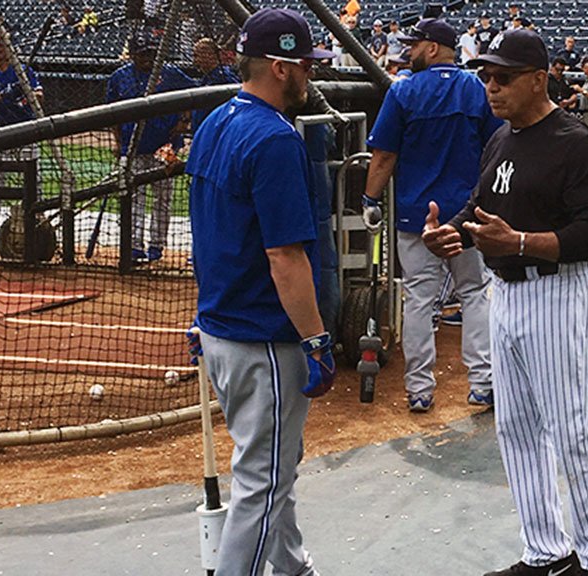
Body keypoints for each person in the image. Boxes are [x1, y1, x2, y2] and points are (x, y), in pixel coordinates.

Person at [422, 28, 588, 576]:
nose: (492, 85)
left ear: (540, 79)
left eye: (505, 77)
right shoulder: (501, 139)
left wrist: (516, 242)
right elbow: (478, 207)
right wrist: (455, 234)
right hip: (506, 294)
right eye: (487, 75)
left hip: (558, 292)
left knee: (570, 428)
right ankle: (547, 551)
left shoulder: (575, 141)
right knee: (515, 428)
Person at [186, 9, 337, 576]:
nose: (310, 75)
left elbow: (210, 231)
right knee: (263, 481)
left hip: (222, 330)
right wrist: (316, 339)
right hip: (264, 340)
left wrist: (204, 312)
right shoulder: (274, 138)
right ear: (279, 68)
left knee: (272, 465)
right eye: (304, 65)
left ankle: (293, 567)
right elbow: (286, 256)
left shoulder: (215, 121)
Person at [362, 18, 500, 412]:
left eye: (416, 45)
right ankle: (482, 384)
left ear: (435, 48)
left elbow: (385, 155)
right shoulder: (477, 88)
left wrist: (370, 199)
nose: (409, 51)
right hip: (468, 213)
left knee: (420, 300)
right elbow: (496, 145)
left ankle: (420, 390)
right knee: (475, 294)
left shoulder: (404, 90)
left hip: (416, 216)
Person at [107, 31, 194, 263]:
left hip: (164, 147)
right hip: (132, 145)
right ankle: (134, 246)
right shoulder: (119, 77)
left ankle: (157, 245)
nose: (148, 57)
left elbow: (194, 94)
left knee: (162, 198)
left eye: (152, 53)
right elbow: (111, 113)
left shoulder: (170, 73)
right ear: (133, 54)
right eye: (143, 53)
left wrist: (184, 121)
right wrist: (117, 143)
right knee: (135, 196)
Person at [0, 33, 44, 235]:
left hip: (25, 130)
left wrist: (23, 92)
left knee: (34, 181)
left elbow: (39, 96)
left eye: (0, 46)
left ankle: (36, 226)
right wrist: (6, 94)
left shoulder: (23, 71)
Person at [192, 37, 240, 129]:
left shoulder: (224, 77)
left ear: (209, 55)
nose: (195, 61)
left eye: (197, 56)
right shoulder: (206, 78)